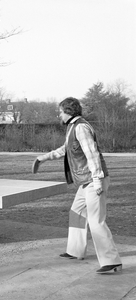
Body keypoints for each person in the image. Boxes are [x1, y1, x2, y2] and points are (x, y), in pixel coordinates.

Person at [33, 97, 122, 274]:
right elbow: (64, 150)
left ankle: (112, 261)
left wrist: (97, 181)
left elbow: (92, 155)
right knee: (77, 212)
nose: (59, 114)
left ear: (68, 112)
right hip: (85, 182)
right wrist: (41, 158)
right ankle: (75, 250)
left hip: (93, 181)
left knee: (96, 221)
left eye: (60, 111)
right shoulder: (73, 127)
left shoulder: (80, 127)